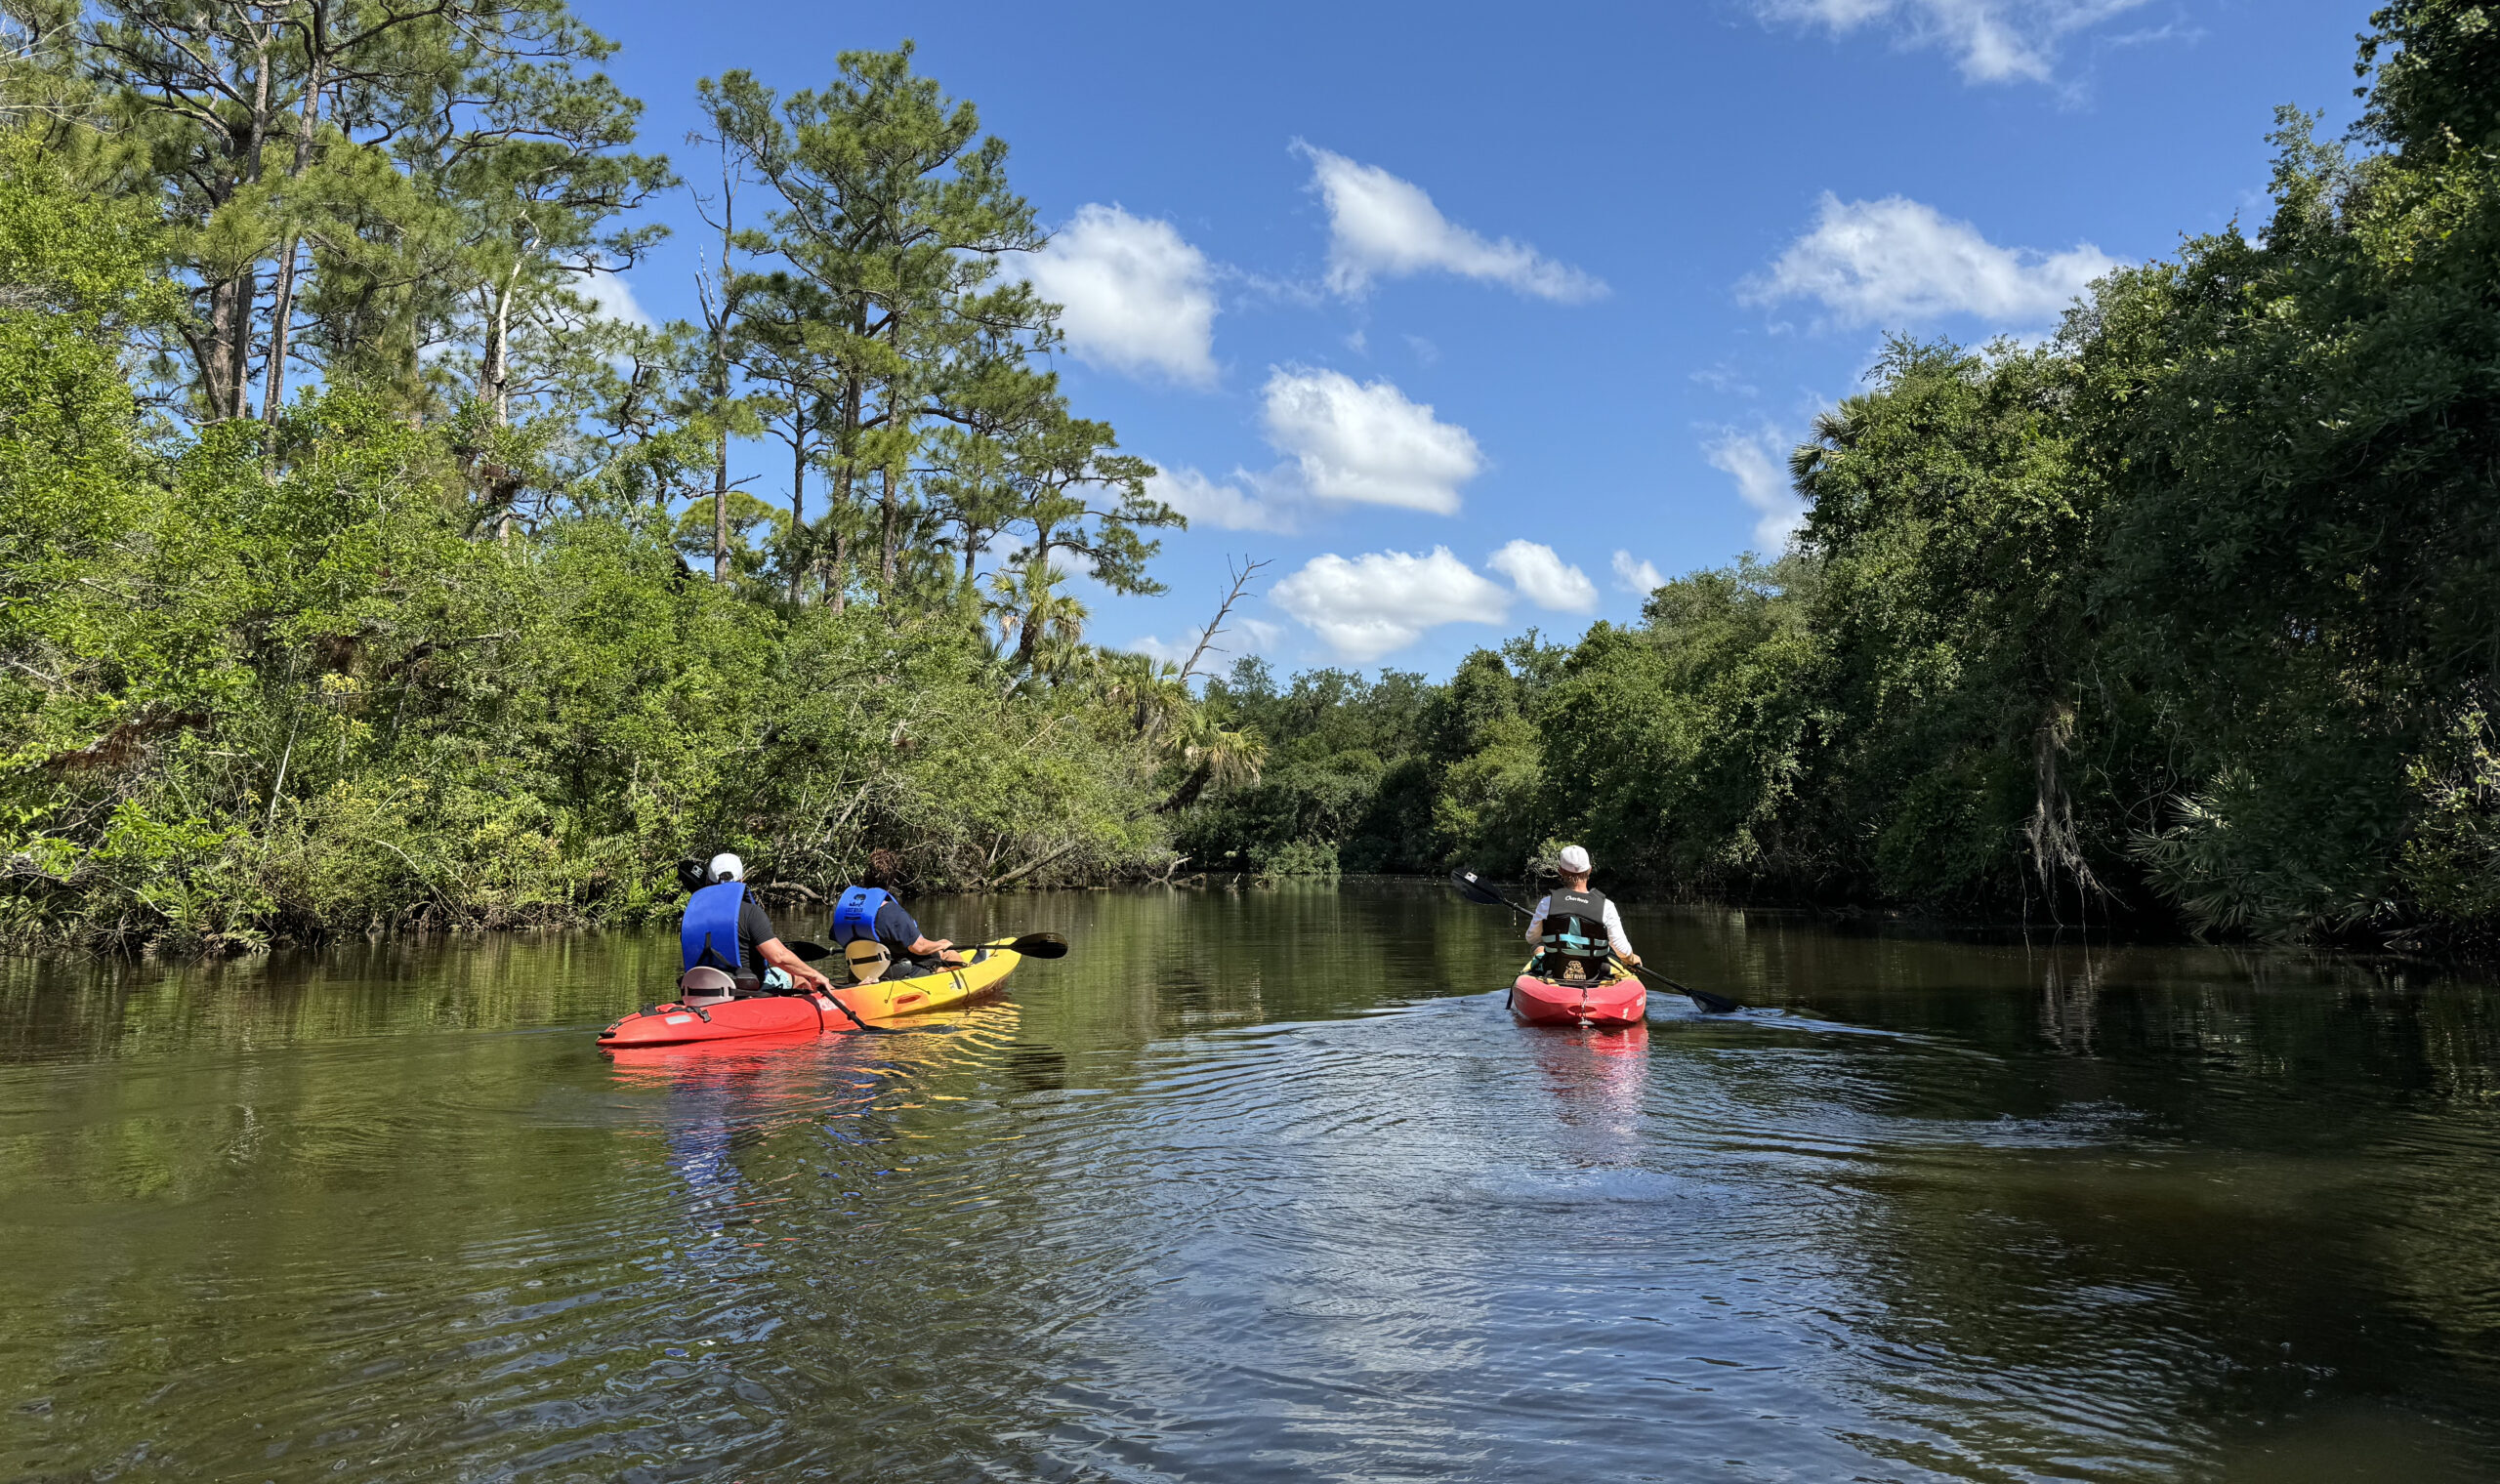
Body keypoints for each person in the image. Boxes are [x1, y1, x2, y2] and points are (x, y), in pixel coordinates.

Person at [680, 852, 833, 997]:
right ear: (742, 880)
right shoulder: (750, 912)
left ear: (707, 882)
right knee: (799, 979)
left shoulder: (691, 916)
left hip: (698, 990)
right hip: (742, 990)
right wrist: (814, 974)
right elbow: (779, 957)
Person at [830, 848, 967, 982]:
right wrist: (941, 944)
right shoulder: (892, 913)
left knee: (937, 954)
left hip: (857, 974)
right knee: (950, 955)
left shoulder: (847, 912)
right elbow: (920, 947)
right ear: (891, 880)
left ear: (865, 876)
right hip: (892, 975)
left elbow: (836, 935)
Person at [1524, 845, 1642, 983]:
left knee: (1537, 947)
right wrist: (1632, 959)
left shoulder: (1546, 904)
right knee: (1611, 951)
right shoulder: (1607, 906)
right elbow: (1622, 950)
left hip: (1555, 974)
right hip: (1596, 977)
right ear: (1589, 870)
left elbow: (1531, 938)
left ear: (1560, 871)